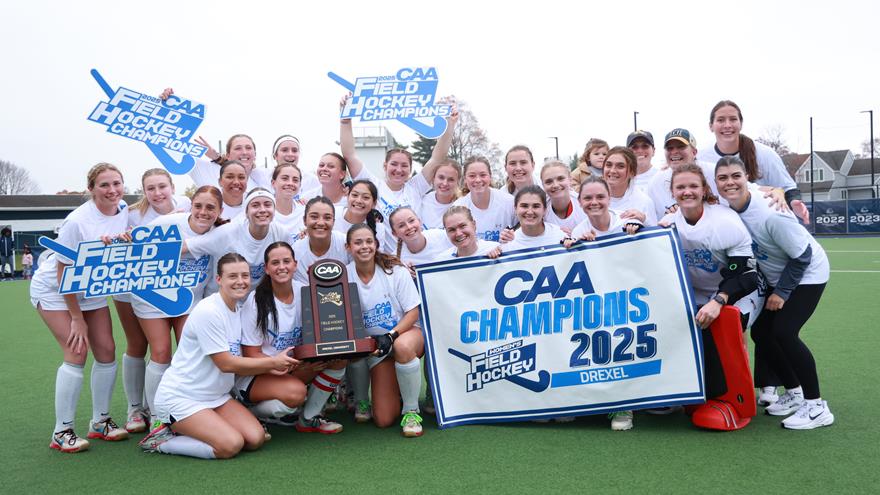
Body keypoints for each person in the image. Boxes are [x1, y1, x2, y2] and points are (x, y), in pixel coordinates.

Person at [139, 253, 298, 459]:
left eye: (245, 276)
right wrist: (273, 363)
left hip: (216, 397)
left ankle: (196, 428)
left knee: (255, 438)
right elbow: (225, 363)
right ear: (219, 280)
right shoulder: (209, 311)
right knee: (230, 445)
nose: (240, 282)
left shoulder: (239, 309)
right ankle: (162, 440)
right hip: (182, 397)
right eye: (233, 276)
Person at [715, 156, 833, 429]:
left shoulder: (770, 212)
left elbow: (802, 256)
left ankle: (817, 407)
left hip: (807, 273)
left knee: (784, 332)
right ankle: (795, 394)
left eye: (736, 176)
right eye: (723, 178)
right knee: (762, 333)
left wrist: (781, 291)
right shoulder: (727, 207)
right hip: (774, 274)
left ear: (747, 178)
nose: (730, 182)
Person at [30, 163, 130, 453]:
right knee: (76, 350)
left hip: (91, 286)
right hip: (56, 289)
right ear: (91, 189)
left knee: (107, 350)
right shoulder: (77, 221)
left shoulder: (123, 209)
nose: (112, 190)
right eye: (104, 185)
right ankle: (62, 431)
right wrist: (76, 318)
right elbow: (64, 271)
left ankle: (100, 421)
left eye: (117, 183)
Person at [664, 163, 761, 430]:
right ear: (672, 192)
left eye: (693, 186)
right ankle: (697, 393)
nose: (687, 192)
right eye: (680, 187)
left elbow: (746, 275)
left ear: (704, 189)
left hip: (737, 292)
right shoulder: (669, 223)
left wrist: (719, 300)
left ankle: (735, 401)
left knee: (725, 324)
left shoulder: (724, 222)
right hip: (697, 295)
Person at [132, 186, 226, 427]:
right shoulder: (167, 224)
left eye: (210, 208)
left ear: (219, 211)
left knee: (192, 353)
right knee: (161, 352)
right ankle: (156, 417)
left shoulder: (219, 234)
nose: (203, 212)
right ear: (190, 206)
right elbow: (134, 246)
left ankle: (189, 407)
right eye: (198, 206)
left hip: (189, 301)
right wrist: (123, 238)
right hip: (153, 297)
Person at [238, 242, 345, 434]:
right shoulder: (256, 301)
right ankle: (249, 412)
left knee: (339, 359)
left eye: (286, 261)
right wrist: (281, 364)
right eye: (275, 263)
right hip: (259, 372)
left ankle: (309, 418)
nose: (282, 267)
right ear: (267, 269)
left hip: (293, 365)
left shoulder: (307, 292)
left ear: (295, 264)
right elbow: (250, 354)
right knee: (296, 393)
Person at [120, 168, 193, 433]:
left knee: (187, 349)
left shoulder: (187, 205)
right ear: (144, 191)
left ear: (172, 186)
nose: (157, 193)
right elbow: (116, 242)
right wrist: (122, 239)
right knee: (156, 350)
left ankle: (184, 406)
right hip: (147, 290)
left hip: (183, 289)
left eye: (162, 186)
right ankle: (144, 411)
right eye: (150, 188)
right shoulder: (132, 215)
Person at [344, 224, 425, 437]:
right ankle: (373, 397)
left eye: (369, 241)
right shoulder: (343, 276)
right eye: (358, 242)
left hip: (403, 335)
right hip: (375, 350)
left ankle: (411, 411)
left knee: (402, 347)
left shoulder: (395, 271)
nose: (364, 246)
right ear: (348, 247)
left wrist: (391, 336)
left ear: (376, 244)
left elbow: (412, 313)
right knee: (384, 419)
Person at [340, 96, 457, 223]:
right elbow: (349, 155)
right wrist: (345, 121)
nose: (399, 170)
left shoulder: (415, 188)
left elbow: (437, 158)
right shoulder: (372, 185)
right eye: (394, 164)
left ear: (411, 169)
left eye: (404, 165)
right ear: (385, 166)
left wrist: (450, 124)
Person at [698, 100, 809, 224]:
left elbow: (787, 187)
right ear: (711, 126)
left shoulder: (764, 153)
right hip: (723, 226)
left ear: (741, 124)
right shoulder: (701, 157)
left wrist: (794, 202)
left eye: (733, 119)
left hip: (761, 225)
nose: (727, 125)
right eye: (721, 120)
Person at [183, 188, 288, 292]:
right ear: (246, 212)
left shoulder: (281, 234)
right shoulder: (226, 233)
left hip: (253, 303)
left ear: (274, 210)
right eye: (255, 205)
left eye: (267, 204)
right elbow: (185, 246)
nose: (262, 210)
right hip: (220, 300)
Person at [453, 157, 515, 242]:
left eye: (483, 175)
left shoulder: (509, 202)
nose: (478, 180)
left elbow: (522, 231)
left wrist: (513, 237)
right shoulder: (457, 208)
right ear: (465, 179)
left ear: (490, 176)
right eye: (472, 176)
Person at [292, 196, 351, 285]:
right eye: (314, 217)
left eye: (327, 218)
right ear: (304, 220)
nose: (320, 223)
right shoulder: (296, 252)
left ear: (333, 222)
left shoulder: (346, 243)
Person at [566, 177, 643, 243]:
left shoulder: (628, 221)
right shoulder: (579, 232)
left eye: (600, 197)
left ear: (609, 199)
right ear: (579, 202)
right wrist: (585, 246)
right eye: (588, 198)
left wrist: (638, 230)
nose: (594, 202)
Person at [501, 186, 566, 253]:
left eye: (536, 206)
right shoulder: (509, 243)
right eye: (524, 206)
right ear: (515, 209)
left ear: (544, 210)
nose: (530, 212)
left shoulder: (559, 236)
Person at [602, 147, 658, 225]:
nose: (612, 171)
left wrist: (644, 221)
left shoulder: (644, 202)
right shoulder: (592, 199)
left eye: (620, 166)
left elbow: (655, 235)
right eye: (608, 165)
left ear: (632, 173)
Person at [334, 179, 390, 253]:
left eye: (366, 197)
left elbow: (377, 258)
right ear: (347, 197)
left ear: (374, 203)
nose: (359, 200)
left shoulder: (378, 228)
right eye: (354, 195)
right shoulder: (333, 213)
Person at [540, 160, 586, 234]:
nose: (555, 185)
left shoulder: (584, 204)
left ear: (570, 179)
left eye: (560, 179)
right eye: (549, 181)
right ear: (543, 185)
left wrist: (576, 235)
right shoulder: (540, 209)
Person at [419, 159, 462, 230]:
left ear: (458, 182)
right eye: (441, 177)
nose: (445, 183)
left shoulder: (462, 205)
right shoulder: (421, 201)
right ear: (433, 178)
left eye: (451, 179)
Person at [270, 164, 306, 234]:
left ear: (300, 185)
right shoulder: (265, 212)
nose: (290, 183)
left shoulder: (305, 211)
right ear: (273, 183)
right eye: (285, 178)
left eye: (295, 180)